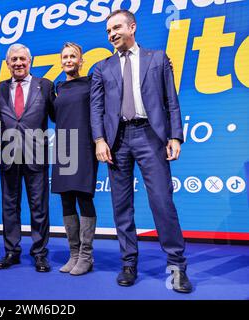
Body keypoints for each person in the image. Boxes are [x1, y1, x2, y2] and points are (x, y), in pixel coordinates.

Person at [90, 9, 192, 293]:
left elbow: (170, 100)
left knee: (162, 202)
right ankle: (128, 262)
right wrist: (99, 139)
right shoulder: (101, 67)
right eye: (108, 31)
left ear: (132, 27)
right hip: (117, 141)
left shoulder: (158, 59)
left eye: (116, 28)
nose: (112, 34)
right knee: (122, 206)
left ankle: (177, 266)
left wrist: (175, 135)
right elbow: (96, 108)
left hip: (150, 136)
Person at [0, 44, 55, 272]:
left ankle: (39, 253)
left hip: (36, 155)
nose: (18, 63)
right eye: (13, 60)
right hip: (8, 155)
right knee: (9, 206)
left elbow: (59, 115)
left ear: (30, 61)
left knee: (39, 206)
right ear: (7, 63)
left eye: (22, 59)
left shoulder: (45, 87)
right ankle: (12, 251)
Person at [52, 42, 98, 276]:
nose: (69, 60)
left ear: (81, 61)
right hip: (62, 147)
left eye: (73, 56)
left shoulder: (91, 83)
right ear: (61, 61)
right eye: (65, 56)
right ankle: (74, 254)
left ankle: (87, 256)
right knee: (66, 200)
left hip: (84, 146)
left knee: (84, 198)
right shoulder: (57, 87)